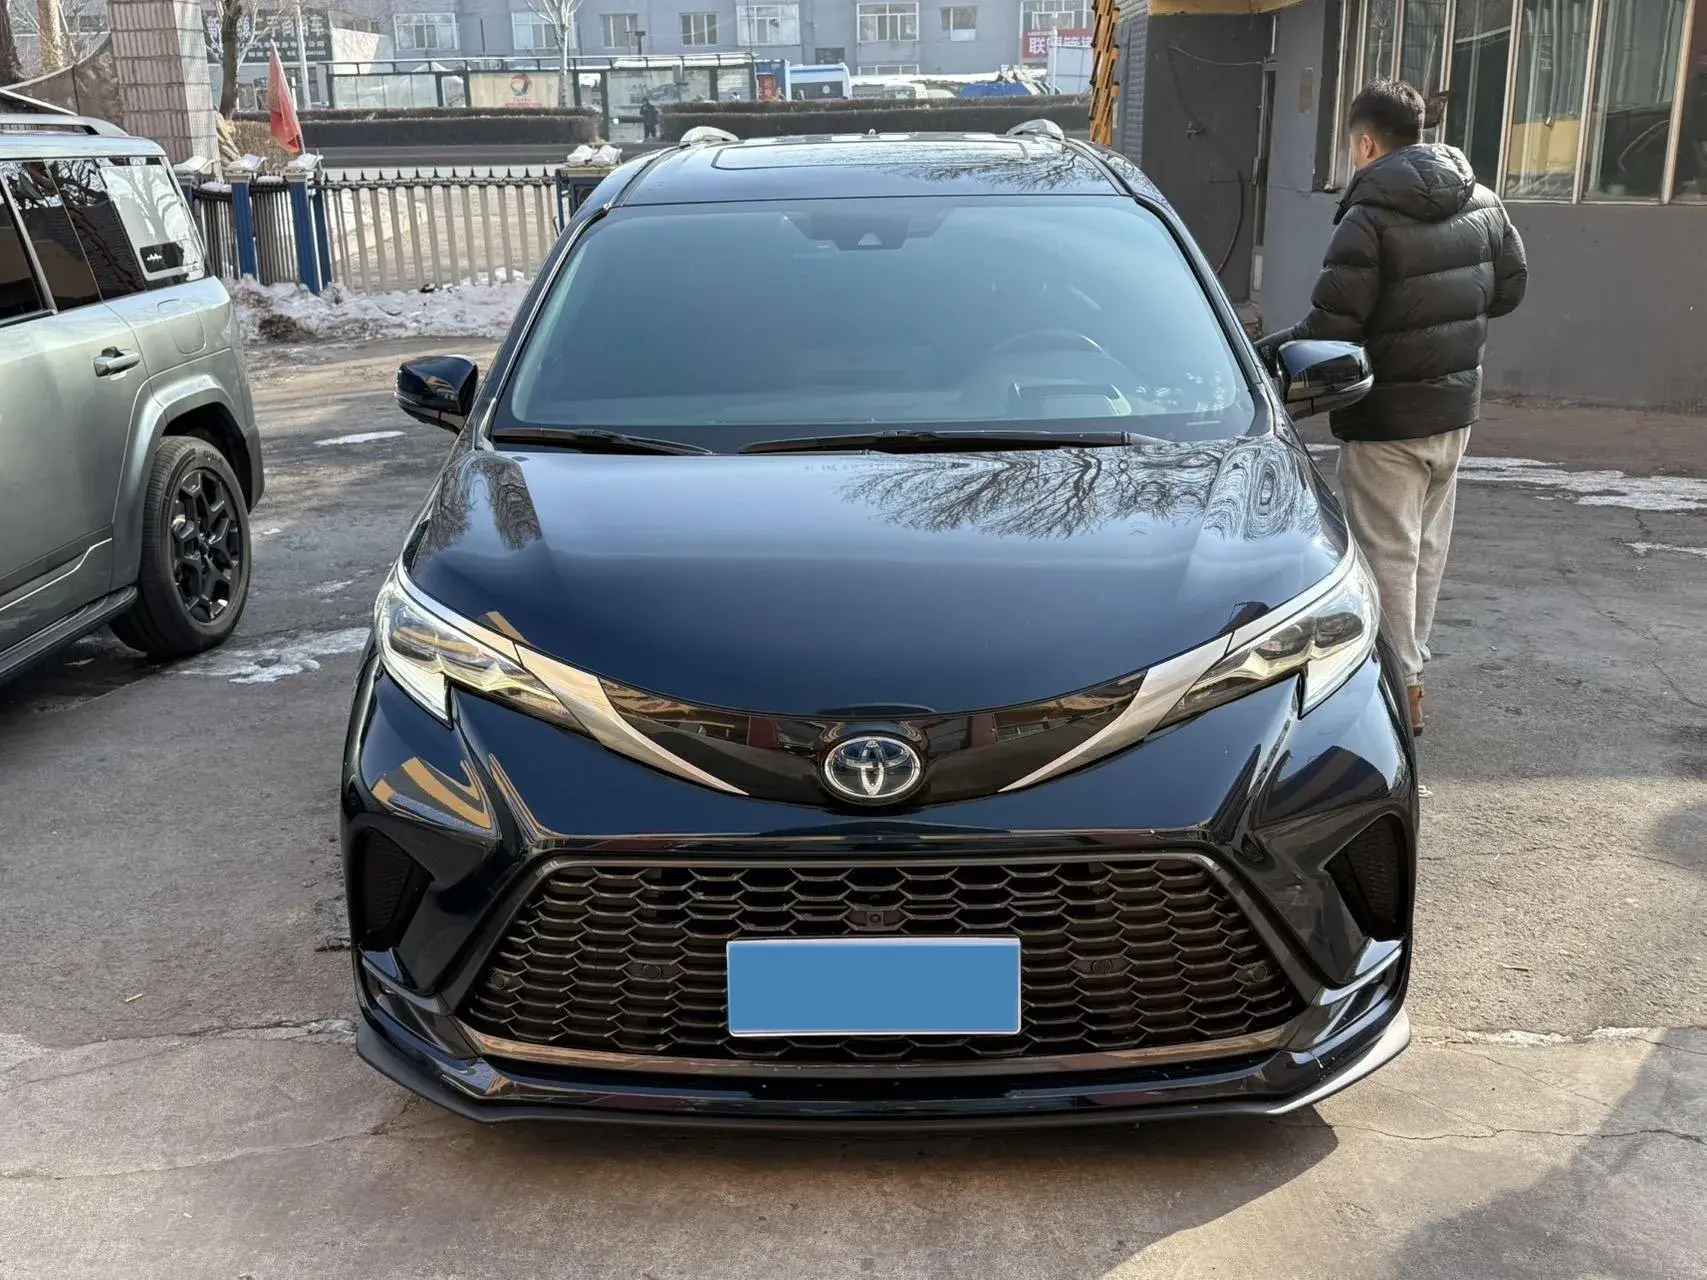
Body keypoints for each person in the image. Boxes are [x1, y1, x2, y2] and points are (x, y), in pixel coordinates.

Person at [1256, 80, 1527, 737]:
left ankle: (1398, 690)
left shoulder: (1369, 216)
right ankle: (1412, 672)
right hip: (1453, 412)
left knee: (1385, 558)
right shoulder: (1482, 199)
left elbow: (1331, 329)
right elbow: (1509, 289)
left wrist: (1254, 354)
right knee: (1425, 550)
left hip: (1386, 420)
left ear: (1367, 143)